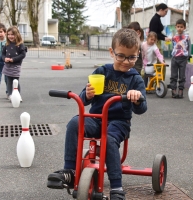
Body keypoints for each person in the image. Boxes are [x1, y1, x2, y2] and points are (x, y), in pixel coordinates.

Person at [46, 28, 147, 200]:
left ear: (138, 55)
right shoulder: (102, 72)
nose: (126, 61)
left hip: (118, 122)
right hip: (96, 119)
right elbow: (83, 99)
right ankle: (70, 171)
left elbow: (141, 109)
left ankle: (116, 187)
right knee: (75, 123)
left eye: (132, 57)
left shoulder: (135, 79)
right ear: (111, 52)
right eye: (121, 56)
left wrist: (137, 98)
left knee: (107, 139)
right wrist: (88, 94)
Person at [2, 26, 26, 101]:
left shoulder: (20, 45)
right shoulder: (6, 45)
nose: (10, 36)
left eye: (12, 34)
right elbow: (2, 54)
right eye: (8, 34)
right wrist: (4, 59)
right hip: (8, 66)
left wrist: (13, 59)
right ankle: (10, 95)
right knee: (8, 82)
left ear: (17, 35)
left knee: (15, 81)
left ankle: (18, 95)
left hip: (16, 66)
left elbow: (23, 55)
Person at [169, 19, 191, 99]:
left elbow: (189, 46)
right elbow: (173, 46)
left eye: (181, 27)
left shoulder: (187, 37)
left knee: (182, 76)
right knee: (173, 75)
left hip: (183, 58)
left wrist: (189, 56)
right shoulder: (174, 37)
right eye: (178, 27)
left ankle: (181, 90)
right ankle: (173, 90)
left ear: (184, 27)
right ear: (175, 27)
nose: (179, 28)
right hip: (175, 58)